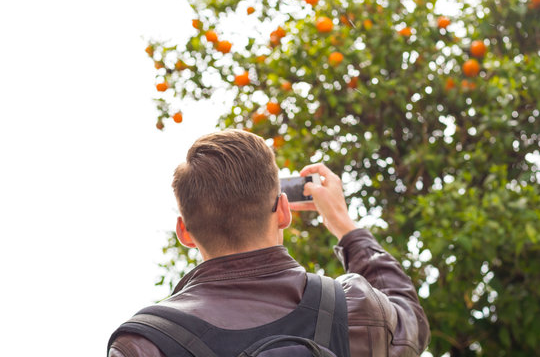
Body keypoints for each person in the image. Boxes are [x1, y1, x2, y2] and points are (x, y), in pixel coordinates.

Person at [108, 129, 430, 356]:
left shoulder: (144, 342)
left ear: (184, 233)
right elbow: (411, 322)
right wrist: (344, 226)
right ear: (284, 212)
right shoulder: (353, 306)